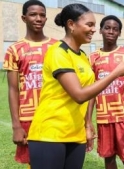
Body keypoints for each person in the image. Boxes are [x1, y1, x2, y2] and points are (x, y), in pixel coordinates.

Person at [27, 4, 124, 169]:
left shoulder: (82, 56)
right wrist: (115, 73)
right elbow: (79, 95)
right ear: (71, 24)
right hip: (50, 134)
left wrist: (88, 125)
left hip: (76, 135)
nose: (93, 30)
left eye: (94, 25)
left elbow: (89, 94)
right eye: (89, 25)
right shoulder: (58, 52)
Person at [3, 0, 56, 167]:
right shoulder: (14, 49)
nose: (38, 18)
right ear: (24, 18)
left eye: (42, 15)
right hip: (29, 117)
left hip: (55, 115)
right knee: (35, 163)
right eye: (33, 14)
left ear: (46, 19)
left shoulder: (56, 47)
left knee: (57, 160)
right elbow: (13, 89)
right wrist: (16, 126)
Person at [86, 15, 124, 169]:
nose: (111, 31)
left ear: (119, 33)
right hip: (104, 119)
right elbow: (91, 92)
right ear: (101, 31)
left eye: (115, 29)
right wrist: (88, 120)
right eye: (107, 28)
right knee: (109, 160)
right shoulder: (92, 58)